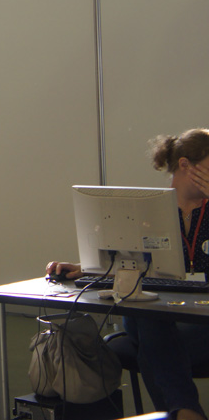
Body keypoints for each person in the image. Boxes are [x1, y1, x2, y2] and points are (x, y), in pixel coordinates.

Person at [47, 128, 209, 420]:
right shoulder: (149, 210)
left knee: (151, 344)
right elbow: (129, 258)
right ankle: (185, 411)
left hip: (199, 318)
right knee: (148, 315)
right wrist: (87, 267)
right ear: (186, 165)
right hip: (155, 311)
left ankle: (182, 411)